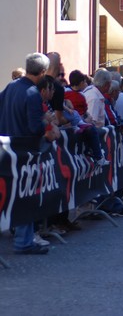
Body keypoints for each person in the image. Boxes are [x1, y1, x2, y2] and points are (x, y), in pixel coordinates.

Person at [0, 53, 60, 254]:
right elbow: (34, 127)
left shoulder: (11, 86)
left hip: (8, 149)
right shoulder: (33, 93)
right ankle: (23, 242)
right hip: (26, 150)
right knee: (27, 195)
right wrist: (47, 124)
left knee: (14, 195)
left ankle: (22, 239)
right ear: (43, 72)